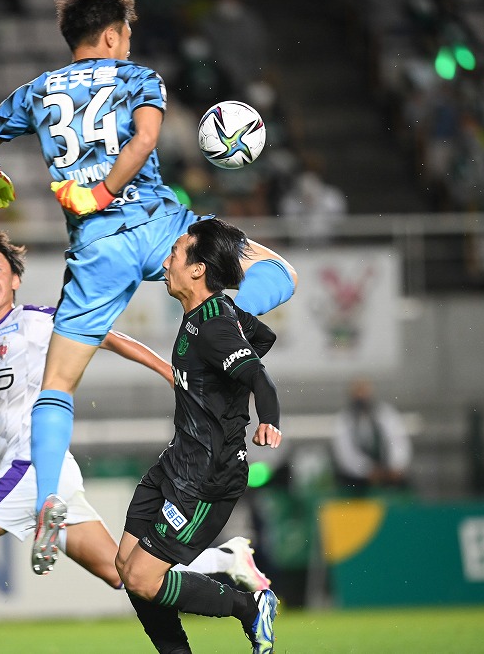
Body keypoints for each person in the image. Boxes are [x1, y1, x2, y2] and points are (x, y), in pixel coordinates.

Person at [0, 0, 298, 574]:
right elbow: (143, 141)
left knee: (57, 387)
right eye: (128, 35)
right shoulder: (139, 77)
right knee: (278, 271)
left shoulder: (36, 92)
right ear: (114, 35)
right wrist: (106, 189)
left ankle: (46, 507)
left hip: (96, 251)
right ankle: (219, 333)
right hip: (167, 232)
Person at [0, 231, 271, 654]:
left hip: (33, 465)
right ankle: (227, 560)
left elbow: (107, 335)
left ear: (15, 279)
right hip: (46, 474)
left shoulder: (37, 318)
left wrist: (168, 370)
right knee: (122, 571)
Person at [115, 218, 283, 654]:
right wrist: (225, 384)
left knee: (141, 577)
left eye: (175, 253)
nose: (166, 261)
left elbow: (260, 379)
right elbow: (263, 336)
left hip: (207, 478)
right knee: (126, 567)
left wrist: (267, 418)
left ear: (197, 269)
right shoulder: (208, 317)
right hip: (177, 462)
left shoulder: (214, 328)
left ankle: (250, 606)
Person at [331, 377, 412, 492]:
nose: (362, 397)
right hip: (357, 478)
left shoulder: (386, 414)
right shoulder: (344, 420)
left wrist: (396, 466)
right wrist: (368, 470)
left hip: (388, 472)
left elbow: (398, 441)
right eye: (358, 392)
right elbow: (346, 455)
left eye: (364, 392)